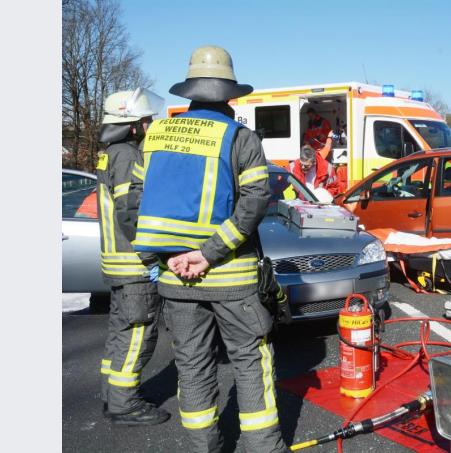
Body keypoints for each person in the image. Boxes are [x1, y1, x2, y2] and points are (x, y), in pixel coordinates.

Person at [126, 46, 288, 452]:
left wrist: (159, 258)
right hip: (233, 279)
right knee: (251, 362)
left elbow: (132, 204)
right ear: (229, 94)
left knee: (193, 367)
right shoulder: (241, 138)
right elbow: (255, 201)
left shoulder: (155, 136)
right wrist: (209, 254)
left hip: (174, 280)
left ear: (191, 92)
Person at [96, 88, 170, 426]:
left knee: (119, 332)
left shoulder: (111, 153)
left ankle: (114, 395)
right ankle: (125, 404)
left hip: (117, 263)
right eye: (145, 119)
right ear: (131, 124)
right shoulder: (127, 155)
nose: (149, 123)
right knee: (139, 331)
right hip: (133, 264)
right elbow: (131, 212)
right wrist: (151, 255)